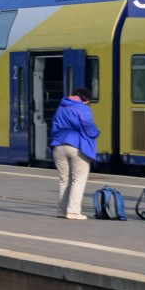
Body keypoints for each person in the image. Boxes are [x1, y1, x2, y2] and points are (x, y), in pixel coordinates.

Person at [50, 87, 100, 219]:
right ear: (86, 100)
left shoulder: (61, 106)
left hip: (58, 145)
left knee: (64, 180)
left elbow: (54, 125)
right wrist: (96, 133)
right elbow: (88, 126)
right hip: (77, 146)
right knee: (78, 179)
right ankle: (73, 211)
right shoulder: (82, 108)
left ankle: (61, 211)